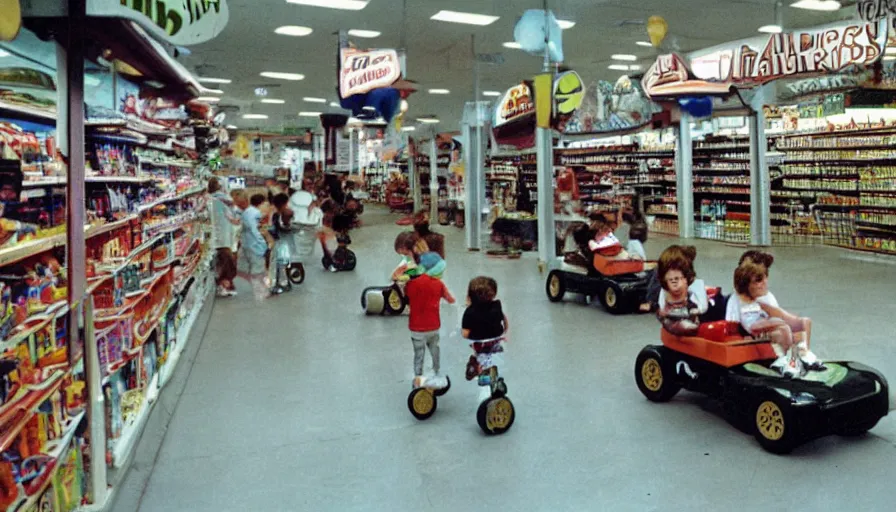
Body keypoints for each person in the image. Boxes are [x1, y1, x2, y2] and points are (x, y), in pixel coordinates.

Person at [728, 250, 824, 372]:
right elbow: (731, 326)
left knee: (804, 323)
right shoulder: (736, 300)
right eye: (758, 280)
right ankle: (788, 360)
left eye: (765, 277)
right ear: (745, 283)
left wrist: (797, 322)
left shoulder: (767, 297)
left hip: (770, 331)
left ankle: (804, 355)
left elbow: (781, 315)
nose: (764, 283)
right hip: (755, 337)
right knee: (782, 330)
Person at [405, 259, 455, 387]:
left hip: (416, 328)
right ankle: (437, 373)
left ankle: (417, 381)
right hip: (433, 326)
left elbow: (405, 298)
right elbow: (451, 300)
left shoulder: (411, 284)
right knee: (435, 350)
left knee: (418, 355)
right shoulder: (438, 284)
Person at [655, 245, 707, 336]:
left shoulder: (695, 285)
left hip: (690, 315)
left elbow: (702, 306)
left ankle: (685, 326)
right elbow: (662, 304)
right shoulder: (665, 288)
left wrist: (696, 310)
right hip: (674, 316)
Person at [236, 193, 273, 301]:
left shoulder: (247, 212)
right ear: (260, 204)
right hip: (255, 246)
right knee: (258, 270)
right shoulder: (255, 213)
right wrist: (264, 244)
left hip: (247, 245)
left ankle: (261, 288)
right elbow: (255, 231)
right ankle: (261, 292)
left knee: (255, 268)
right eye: (265, 204)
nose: (266, 207)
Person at [208, 178, 240, 297]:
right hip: (228, 235)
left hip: (214, 236)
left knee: (222, 259)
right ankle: (225, 283)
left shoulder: (208, 200)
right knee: (227, 259)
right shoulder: (228, 200)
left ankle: (223, 283)